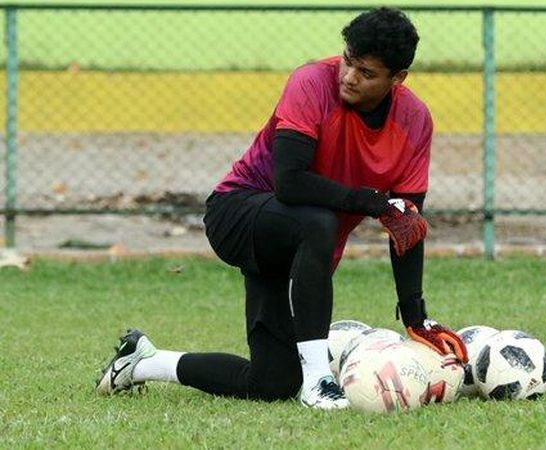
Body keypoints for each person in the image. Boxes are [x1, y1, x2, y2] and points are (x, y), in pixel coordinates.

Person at [95, 8, 467, 410]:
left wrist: (415, 316)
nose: (348, 76)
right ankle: (318, 381)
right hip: (238, 214)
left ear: (398, 79)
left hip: (297, 240)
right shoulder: (310, 82)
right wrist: (368, 200)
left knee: (272, 382)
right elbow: (290, 183)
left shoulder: (414, 121)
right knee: (317, 221)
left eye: (366, 72)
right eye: (347, 60)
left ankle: (144, 361)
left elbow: (406, 226)